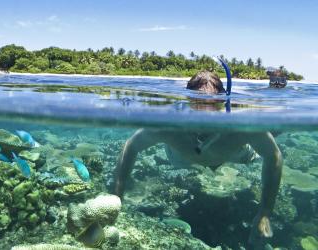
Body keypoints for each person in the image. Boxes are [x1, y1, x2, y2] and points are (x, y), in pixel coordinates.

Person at [112, 70, 283, 243]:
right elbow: (131, 146)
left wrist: (264, 213)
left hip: (234, 153)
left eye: (212, 104)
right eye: (197, 103)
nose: (205, 113)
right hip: (181, 158)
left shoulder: (242, 125)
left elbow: (273, 156)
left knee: (269, 135)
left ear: (223, 101)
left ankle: (277, 85)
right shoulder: (168, 125)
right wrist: (116, 196)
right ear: (187, 101)